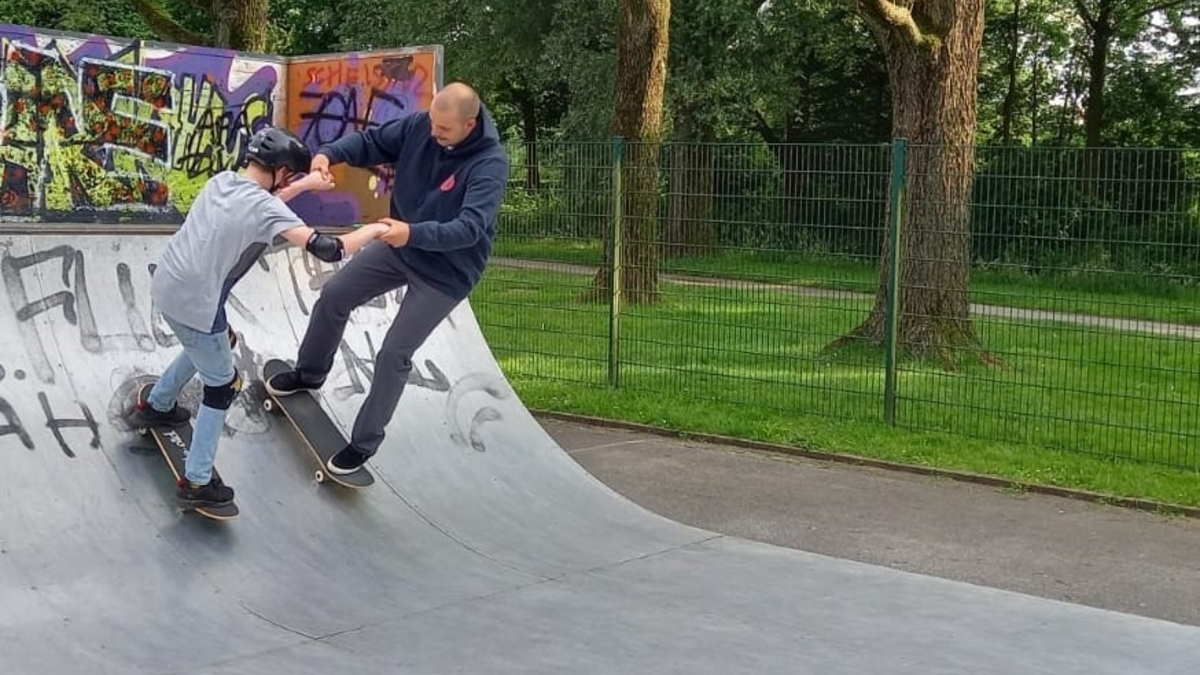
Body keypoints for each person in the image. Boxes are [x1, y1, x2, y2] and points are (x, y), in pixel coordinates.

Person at [132, 127, 389, 508]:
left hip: (167, 288)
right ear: (282, 169)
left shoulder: (224, 183)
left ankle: (157, 406)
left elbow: (266, 203)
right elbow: (330, 250)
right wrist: (374, 229)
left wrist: (306, 185)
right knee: (223, 385)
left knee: (218, 343)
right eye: (291, 175)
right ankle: (197, 482)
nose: (290, 182)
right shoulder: (266, 209)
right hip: (197, 305)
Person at [265, 81, 510, 476]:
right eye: (433, 124)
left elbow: (470, 228)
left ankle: (363, 444)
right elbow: (371, 143)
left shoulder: (489, 163)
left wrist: (411, 233)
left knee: (394, 352)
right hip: (400, 245)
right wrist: (328, 155)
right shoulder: (420, 126)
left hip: (447, 271)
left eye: (444, 130)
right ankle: (309, 373)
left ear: (469, 124)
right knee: (334, 295)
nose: (434, 134)